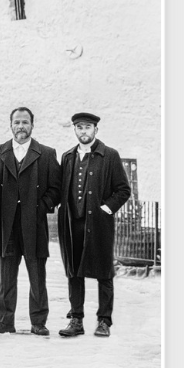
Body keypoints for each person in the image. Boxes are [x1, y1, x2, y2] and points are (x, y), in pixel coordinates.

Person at [0, 108, 62, 335]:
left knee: (37, 277)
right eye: (17, 122)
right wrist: (0, 210)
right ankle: (5, 321)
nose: (21, 126)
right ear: (10, 124)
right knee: (6, 277)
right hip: (7, 226)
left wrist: (41, 208)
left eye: (25, 122)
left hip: (35, 226)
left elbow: (55, 189)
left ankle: (38, 322)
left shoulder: (46, 154)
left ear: (32, 125)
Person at [56, 112, 131, 338]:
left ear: (96, 130)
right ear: (75, 130)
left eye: (88, 127)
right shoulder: (68, 157)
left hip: (98, 225)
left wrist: (105, 209)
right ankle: (76, 320)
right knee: (73, 272)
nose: (83, 132)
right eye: (79, 127)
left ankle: (104, 321)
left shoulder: (109, 156)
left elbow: (123, 190)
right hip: (72, 224)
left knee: (104, 272)